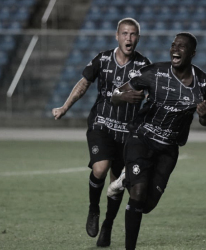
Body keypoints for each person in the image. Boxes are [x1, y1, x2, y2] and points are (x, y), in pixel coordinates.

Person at [52, 18, 151, 247]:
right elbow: (84, 83)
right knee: (100, 167)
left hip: (127, 133)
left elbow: (151, 96)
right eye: (124, 33)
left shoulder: (144, 66)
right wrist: (65, 107)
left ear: (138, 37)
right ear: (117, 36)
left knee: (116, 185)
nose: (129, 38)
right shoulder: (103, 59)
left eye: (133, 34)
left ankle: (107, 224)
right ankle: (93, 209)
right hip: (101, 124)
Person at [111, 32, 206, 249]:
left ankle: (125, 179)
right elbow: (115, 95)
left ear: (193, 53)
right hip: (141, 138)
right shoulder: (154, 72)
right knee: (138, 194)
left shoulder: (204, 84)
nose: (175, 49)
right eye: (173, 45)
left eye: (182, 46)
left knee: (147, 205)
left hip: (168, 149)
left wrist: (205, 115)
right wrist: (122, 96)